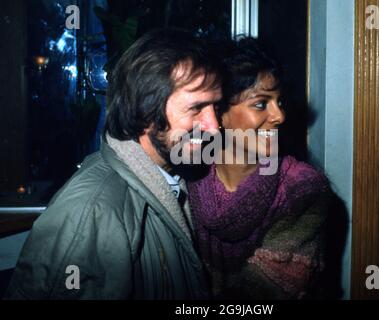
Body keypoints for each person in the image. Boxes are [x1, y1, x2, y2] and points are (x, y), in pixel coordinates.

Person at [5, 29, 222, 299]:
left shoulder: (174, 179)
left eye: (216, 107)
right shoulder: (90, 214)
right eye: (197, 108)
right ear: (145, 111)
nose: (214, 127)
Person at [188, 37, 332, 299]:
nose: (280, 116)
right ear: (218, 114)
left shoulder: (302, 189)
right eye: (261, 103)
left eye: (280, 102)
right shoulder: (185, 178)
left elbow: (266, 292)